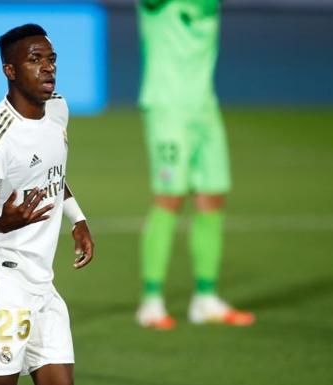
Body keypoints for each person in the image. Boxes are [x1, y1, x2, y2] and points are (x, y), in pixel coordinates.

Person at [0, 24, 94, 385]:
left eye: (51, 60)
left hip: (42, 283)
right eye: (35, 60)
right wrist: (0, 221)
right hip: (0, 282)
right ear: (11, 71)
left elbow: (52, 174)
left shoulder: (58, 110)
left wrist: (77, 218)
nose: (48, 67)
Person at [135, 0, 254, 329]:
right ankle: (151, 301)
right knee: (170, 197)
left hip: (205, 107)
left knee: (212, 197)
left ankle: (205, 298)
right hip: (167, 107)